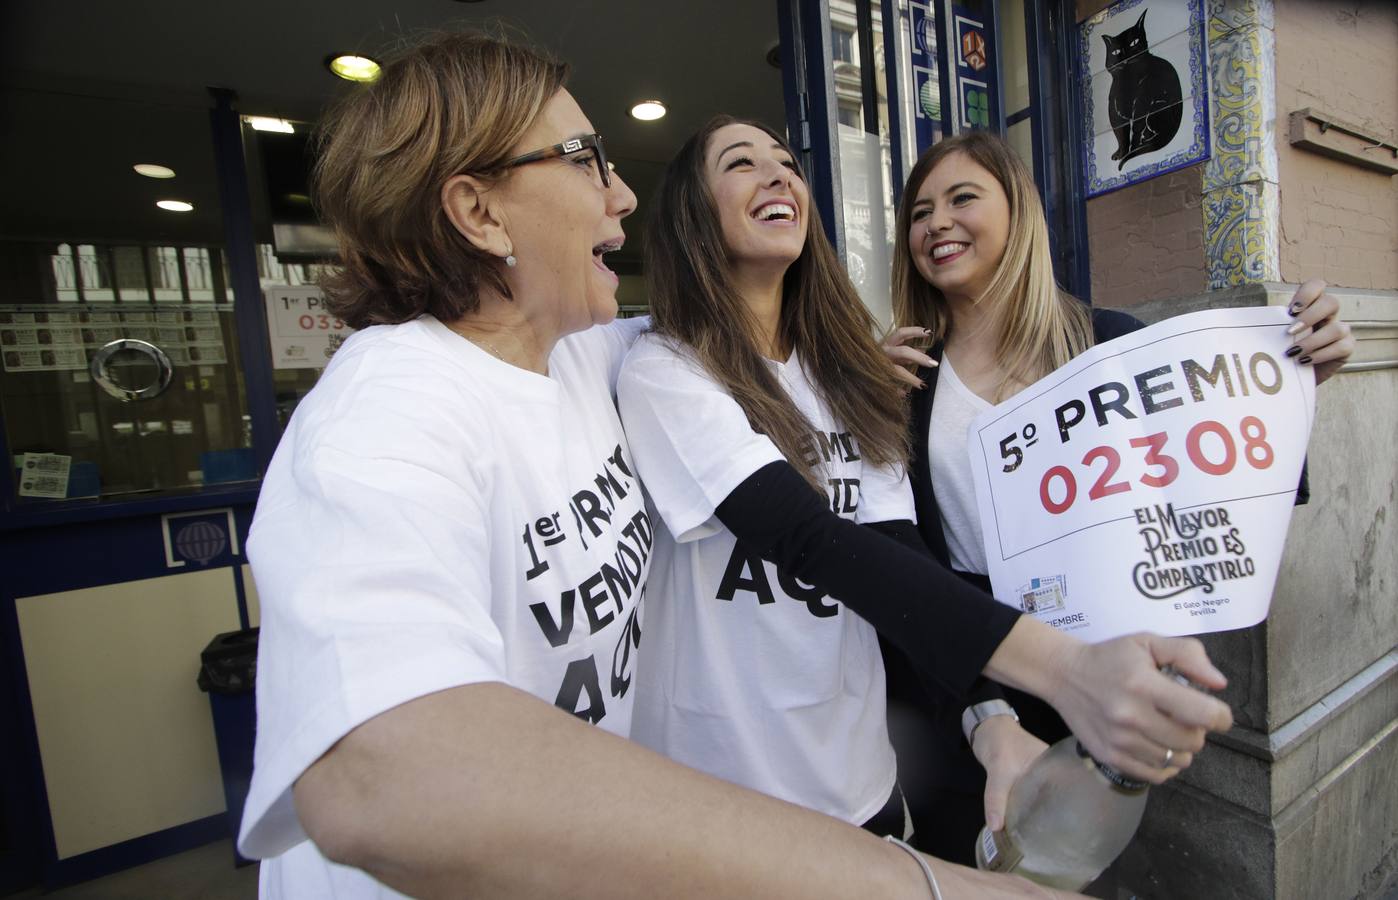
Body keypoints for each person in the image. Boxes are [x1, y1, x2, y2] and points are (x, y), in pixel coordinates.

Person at [237, 30, 1095, 900]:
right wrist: (929, 883)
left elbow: (763, 359)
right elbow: (379, 780)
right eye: (584, 161)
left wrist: (860, 355)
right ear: (480, 213)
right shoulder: (384, 418)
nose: (620, 193)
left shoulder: (584, 354)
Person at [616, 116, 1234, 848]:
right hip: (725, 796)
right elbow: (811, 539)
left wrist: (991, 718)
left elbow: (901, 552)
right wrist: (1064, 671)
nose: (779, 174)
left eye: (787, 161)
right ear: (692, 211)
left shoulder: (851, 378)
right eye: (741, 164)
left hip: (863, 784)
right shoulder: (666, 369)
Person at [880, 129, 1356, 863]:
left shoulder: (1108, 343)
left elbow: (1216, 482)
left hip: (1096, 654)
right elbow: (893, 545)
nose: (937, 221)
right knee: (965, 858)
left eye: (963, 198)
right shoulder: (907, 378)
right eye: (920, 211)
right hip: (960, 671)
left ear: (1019, 212)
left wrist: (1295, 380)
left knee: (1073, 861)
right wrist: (856, 398)